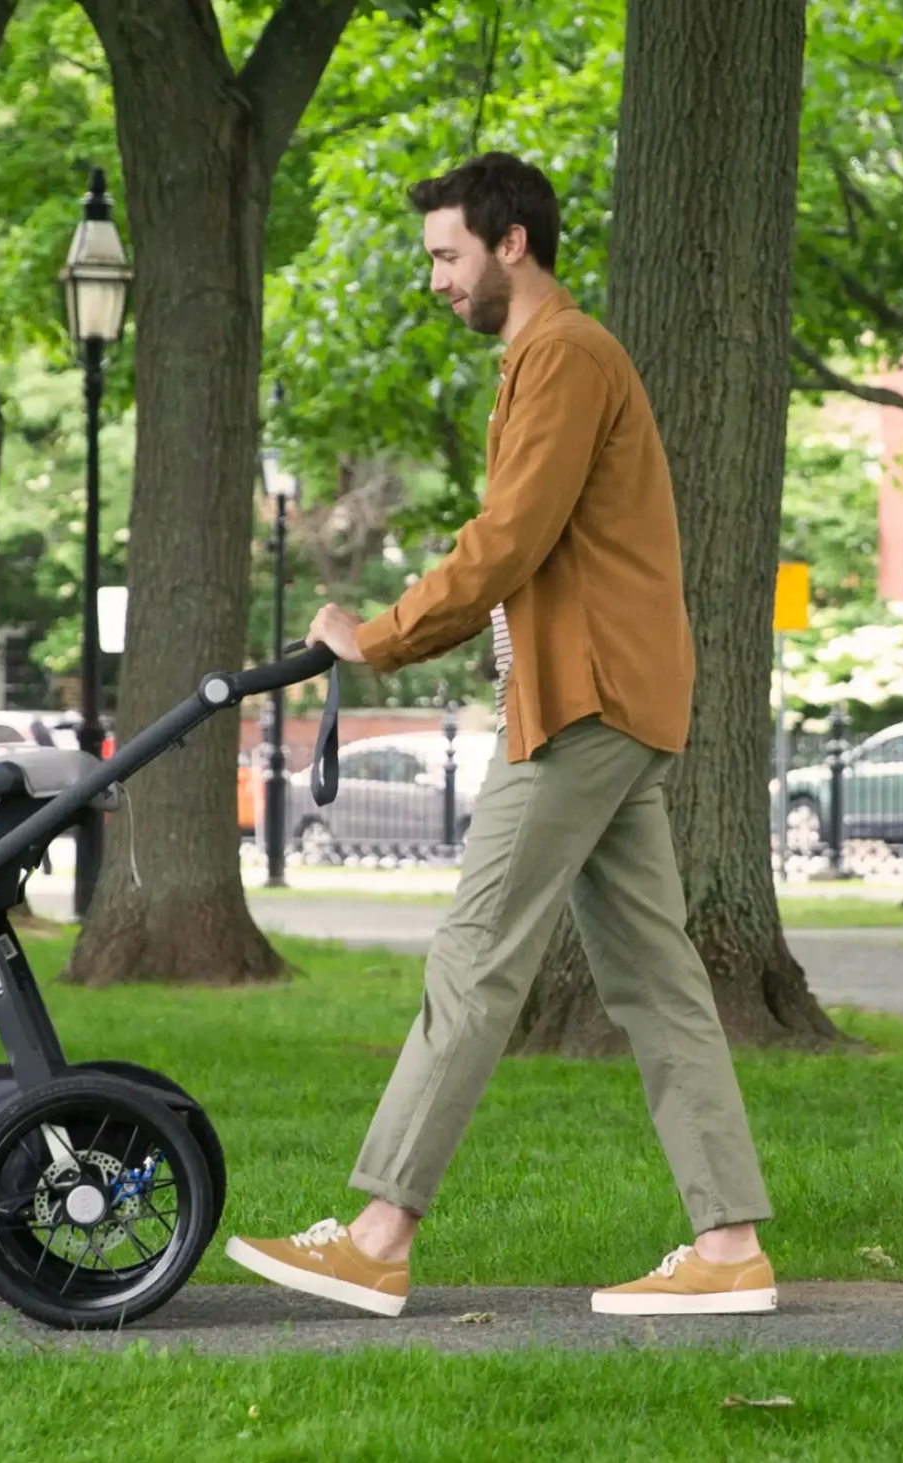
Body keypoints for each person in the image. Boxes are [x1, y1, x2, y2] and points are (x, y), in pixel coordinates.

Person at [224, 153, 775, 1318]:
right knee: (659, 980)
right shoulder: (548, 359)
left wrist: (377, 635)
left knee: (474, 957)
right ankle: (728, 1244)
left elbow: (507, 537)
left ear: (509, 241)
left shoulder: (565, 355)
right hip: (604, 696)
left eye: (446, 254)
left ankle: (376, 1235)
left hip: (583, 706)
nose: (436, 279)